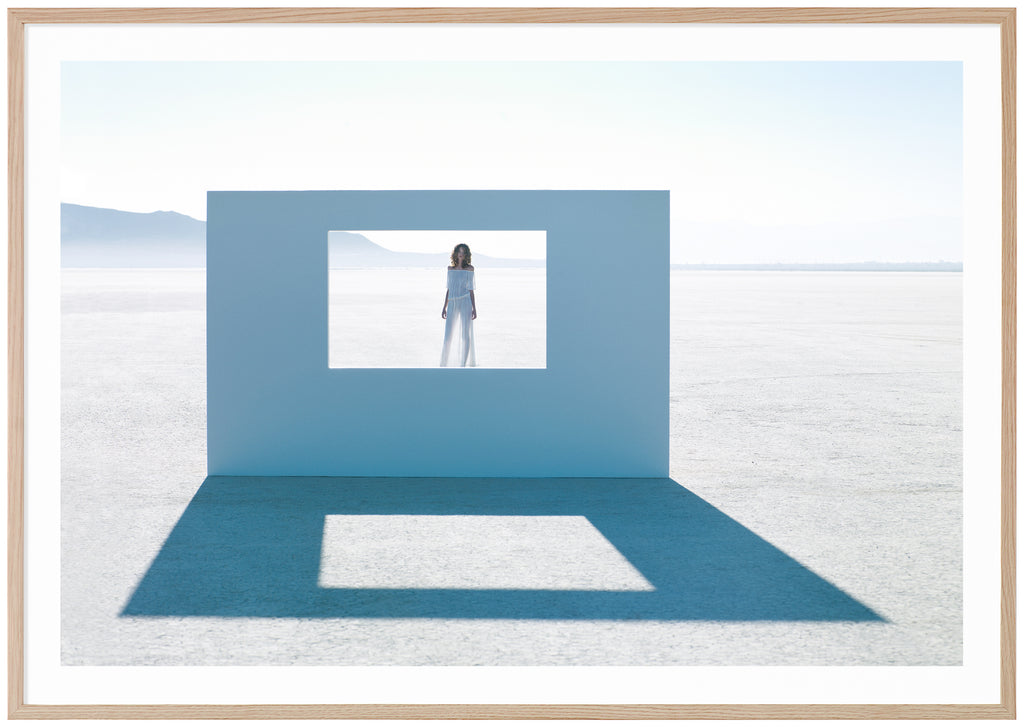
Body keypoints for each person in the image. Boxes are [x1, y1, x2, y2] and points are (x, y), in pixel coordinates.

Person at [440, 243, 477, 367]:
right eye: (459, 251)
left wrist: (474, 308)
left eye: (463, 251)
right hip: (452, 302)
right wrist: (444, 307)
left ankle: (463, 365)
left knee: (465, 334)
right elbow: (449, 289)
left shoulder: (470, 269)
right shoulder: (450, 269)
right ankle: (443, 364)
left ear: (466, 254)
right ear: (455, 253)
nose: (461, 253)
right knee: (448, 334)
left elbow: (471, 289)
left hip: (466, 301)